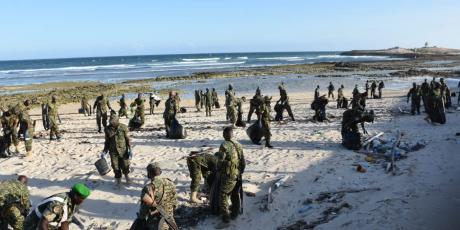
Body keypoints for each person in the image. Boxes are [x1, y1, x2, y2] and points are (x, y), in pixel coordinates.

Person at [132, 162, 177, 230]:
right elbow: (175, 204)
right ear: (160, 171)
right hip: (170, 220)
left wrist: (140, 219)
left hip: (156, 222)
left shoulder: (148, 188)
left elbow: (144, 209)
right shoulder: (171, 183)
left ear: (149, 174)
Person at [215, 127, 245, 229]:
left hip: (228, 175)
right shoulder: (239, 145)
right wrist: (240, 172)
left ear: (224, 135)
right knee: (235, 194)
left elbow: (220, 161)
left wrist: (218, 169)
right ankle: (235, 213)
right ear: (232, 135)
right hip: (238, 174)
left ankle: (226, 218)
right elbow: (243, 162)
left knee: (223, 195)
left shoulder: (224, 145)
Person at [24, 183, 90, 230]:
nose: (82, 201)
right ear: (76, 196)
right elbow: (43, 223)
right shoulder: (58, 204)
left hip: (49, 224)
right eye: (82, 199)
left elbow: (65, 221)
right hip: (34, 225)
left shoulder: (72, 203)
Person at [103, 113, 132, 186]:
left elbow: (128, 139)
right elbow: (107, 140)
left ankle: (126, 176)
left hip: (123, 150)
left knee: (125, 165)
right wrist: (105, 150)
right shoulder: (107, 129)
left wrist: (129, 149)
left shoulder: (123, 127)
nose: (112, 123)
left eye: (113, 121)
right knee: (115, 166)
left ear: (117, 120)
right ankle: (118, 179)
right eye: (111, 121)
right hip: (113, 151)